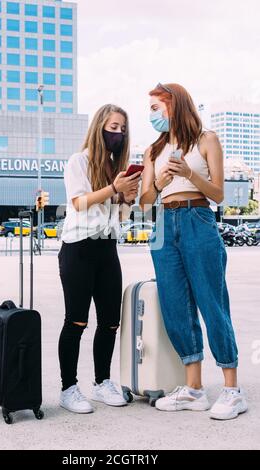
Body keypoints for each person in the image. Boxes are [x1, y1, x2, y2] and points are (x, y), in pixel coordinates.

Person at [140, 83, 247, 420]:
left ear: (176, 106)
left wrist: (188, 174)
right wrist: (159, 183)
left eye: (157, 107)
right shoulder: (152, 151)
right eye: (151, 108)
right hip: (163, 225)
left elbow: (218, 193)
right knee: (175, 305)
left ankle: (232, 390)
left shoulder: (206, 139)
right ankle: (194, 389)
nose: (152, 114)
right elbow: (144, 203)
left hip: (198, 218)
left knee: (211, 302)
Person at [58, 104, 141, 414]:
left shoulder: (112, 167)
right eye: (113, 127)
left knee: (110, 322)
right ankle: (68, 388)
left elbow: (119, 214)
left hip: (107, 248)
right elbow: (79, 202)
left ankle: (102, 382)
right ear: (99, 127)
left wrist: (126, 198)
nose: (117, 133)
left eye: (122, 129)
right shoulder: (78, 161)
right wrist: (112, 188)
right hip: (78, 248)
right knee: (76, 321)